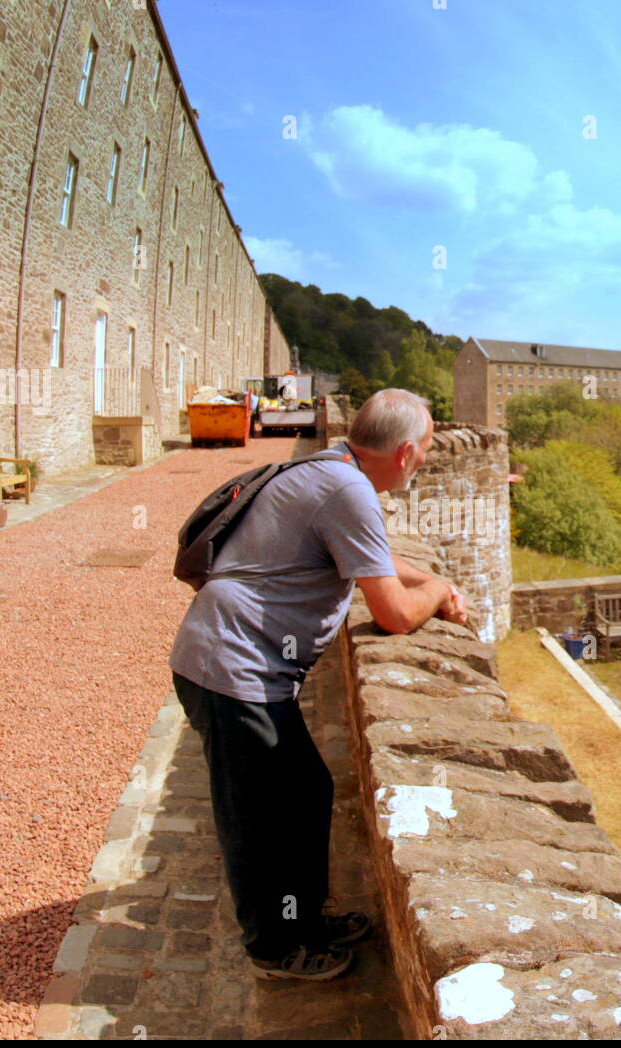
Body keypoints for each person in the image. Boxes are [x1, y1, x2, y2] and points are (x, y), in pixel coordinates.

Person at [169, 388, 466, 981]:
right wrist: (437, 594)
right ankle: (274, 947)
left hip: (244, 666)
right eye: (427, 451)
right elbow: (394, 615)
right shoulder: (348, 489)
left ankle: (304, 917)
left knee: (305, 792)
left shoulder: (332, 466)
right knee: (261, 817)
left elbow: (370, 557)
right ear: (406, 452)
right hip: (232, 669)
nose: (426, 461)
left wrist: (426, 575)